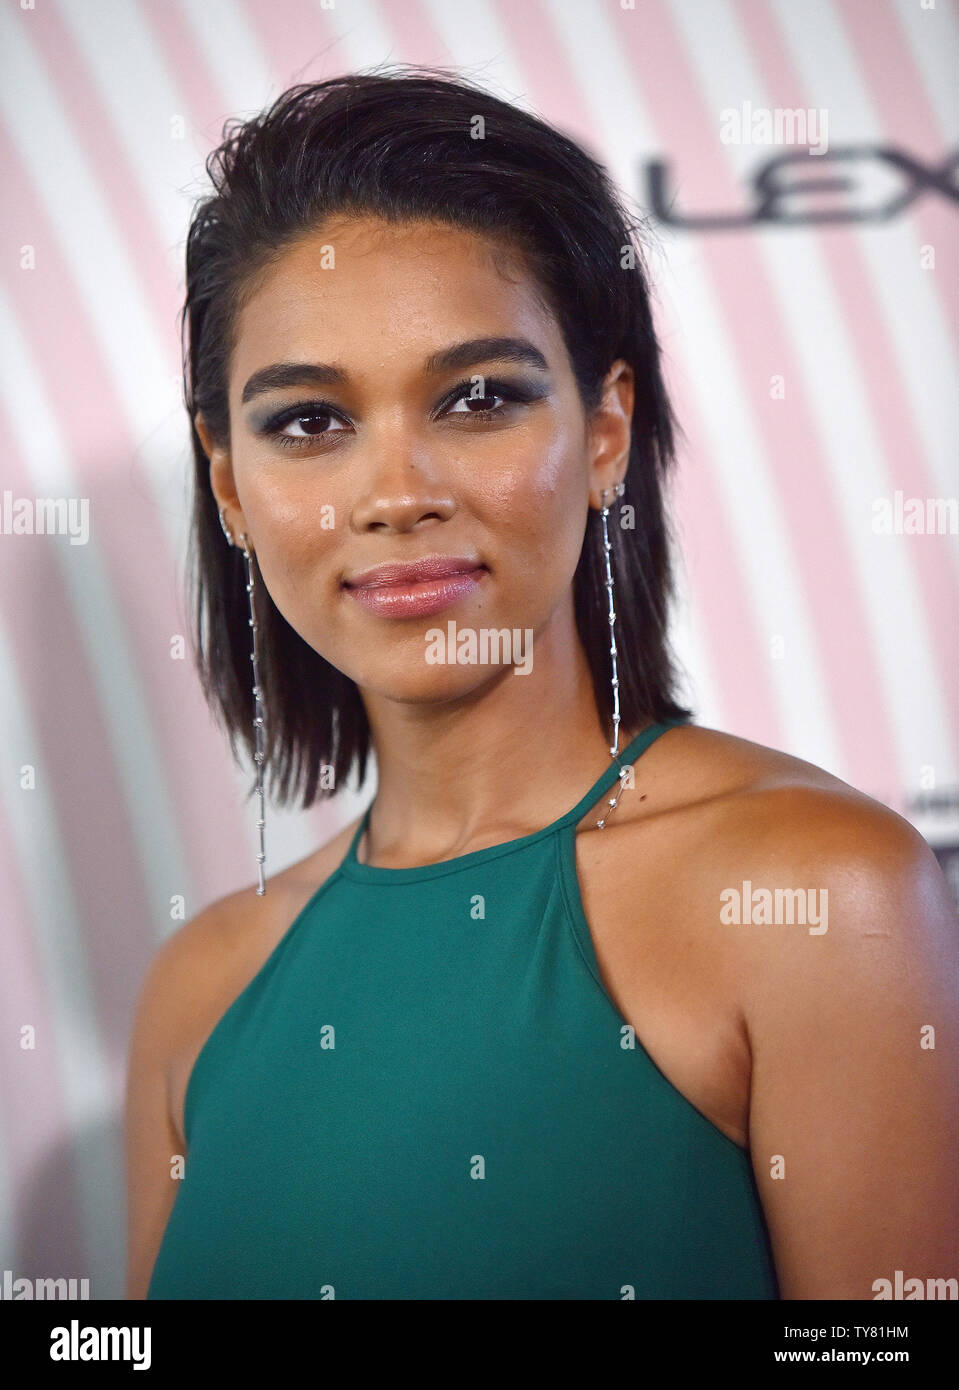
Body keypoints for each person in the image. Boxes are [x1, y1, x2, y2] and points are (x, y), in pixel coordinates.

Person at [125, 67, 959, 1300]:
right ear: (232, 486)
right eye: (308, 421)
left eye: (476, 398)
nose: (395, 491)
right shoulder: (201, 984)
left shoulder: (814, 889)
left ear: (604, 432)